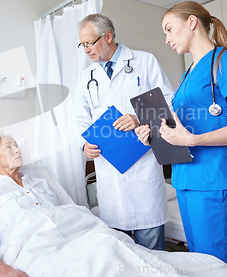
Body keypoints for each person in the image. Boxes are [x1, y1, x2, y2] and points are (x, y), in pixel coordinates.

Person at [135, 1, 227, 266]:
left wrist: (194, 140)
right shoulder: (188, 73)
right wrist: (153, 135)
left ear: (191, 22)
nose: (167, 39)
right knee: (200, 263)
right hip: (185, 178)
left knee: (217, 264)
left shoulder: (226, 61)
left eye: (169, 29)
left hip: (214, 177)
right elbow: (183, 127)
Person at [73, 13, 174, 250]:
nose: (86, 49)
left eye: (90, 42)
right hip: (109, 175)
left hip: (143, 172)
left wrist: (139, 118)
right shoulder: (86, 77)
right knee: (120, 260)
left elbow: (169, 103)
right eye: (82, 44)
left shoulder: (145, 61)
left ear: (108, 36)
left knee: (153, 261)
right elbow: (79, 120)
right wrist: (83, 144)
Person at [0, 132, 60, 277]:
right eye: (9, 147)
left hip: (73, 238)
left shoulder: (41, 184)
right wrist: (9, 273)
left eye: (17, 146)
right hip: (38, 252)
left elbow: (65, 215)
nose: (17, 150)